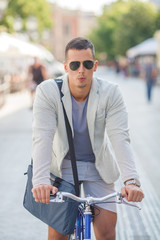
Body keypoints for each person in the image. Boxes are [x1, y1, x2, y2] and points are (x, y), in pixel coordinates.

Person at [31, 37, 144, 240]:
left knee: (107, 232)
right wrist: (39, 181)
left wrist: (131, 181)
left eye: (87, 64)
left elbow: (120, 137)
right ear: (66, 67)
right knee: (57, 234)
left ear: (95, 66)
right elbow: (42, 136)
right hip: (62, 167)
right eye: (74, 65)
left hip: (98, 166)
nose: (81, 70)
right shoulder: (47, 92)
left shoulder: (111, 93)